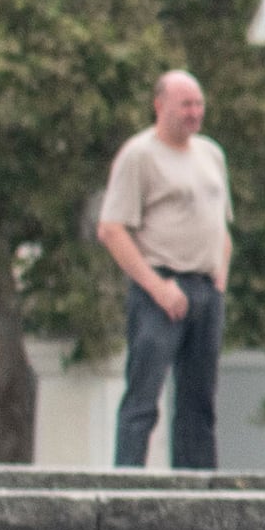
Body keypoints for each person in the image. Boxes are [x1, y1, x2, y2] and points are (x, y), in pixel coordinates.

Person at [97, 69, 233, 473]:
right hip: (160, 287)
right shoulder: (140, 155)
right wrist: (157, 287)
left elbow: (221, 222)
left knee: (199, 402)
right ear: (160, 106)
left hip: (205, 288)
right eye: (185, 105)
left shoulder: (211, 154)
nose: (194, 113)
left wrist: (220, 272)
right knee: (144, 396)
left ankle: (199, 486)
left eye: (199, 104)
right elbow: (112, 229)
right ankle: (128, 482)